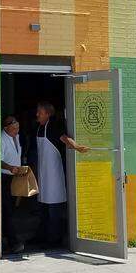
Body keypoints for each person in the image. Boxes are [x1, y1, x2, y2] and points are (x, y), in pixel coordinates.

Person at [26, 101, 89, 249]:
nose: (37, 114)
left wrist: (77, 147)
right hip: (43, 175)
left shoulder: (53, 127)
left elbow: (65, 139)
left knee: (54, 211)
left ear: (48, 114)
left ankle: (55, 240)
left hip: (54, 176)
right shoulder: (38, 128)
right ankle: (41, 236)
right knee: (42, 209)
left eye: (40, 112)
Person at [0, 115, 25, 255]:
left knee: (12, 209)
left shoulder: (17, 137)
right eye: (14, 129)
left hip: (15, 177)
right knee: (7, 210)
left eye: (18, 128)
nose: (17, 131)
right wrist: (9, 167)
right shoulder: (1, 139)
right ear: (6, 128)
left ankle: (8, 240)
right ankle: (13, 243)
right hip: (5, 178)